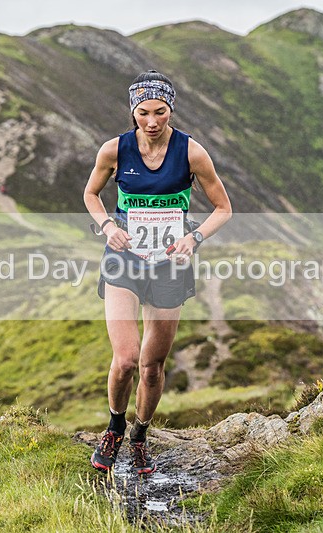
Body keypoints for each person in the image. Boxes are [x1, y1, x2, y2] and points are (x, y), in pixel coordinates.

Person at [83, 69, 232, 475]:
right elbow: (91, 194)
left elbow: (223, 208)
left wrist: (194, 238)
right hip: (125, 261)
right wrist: (108, 227)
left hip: (170, 264)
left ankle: (140, 435)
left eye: (160, 112)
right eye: (144, 112)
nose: (152, 121)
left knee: (152, 367)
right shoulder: (114, 150)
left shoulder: (192, 153)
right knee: (126, 359)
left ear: (171, 110)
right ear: (133, 111)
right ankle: (114, 427)